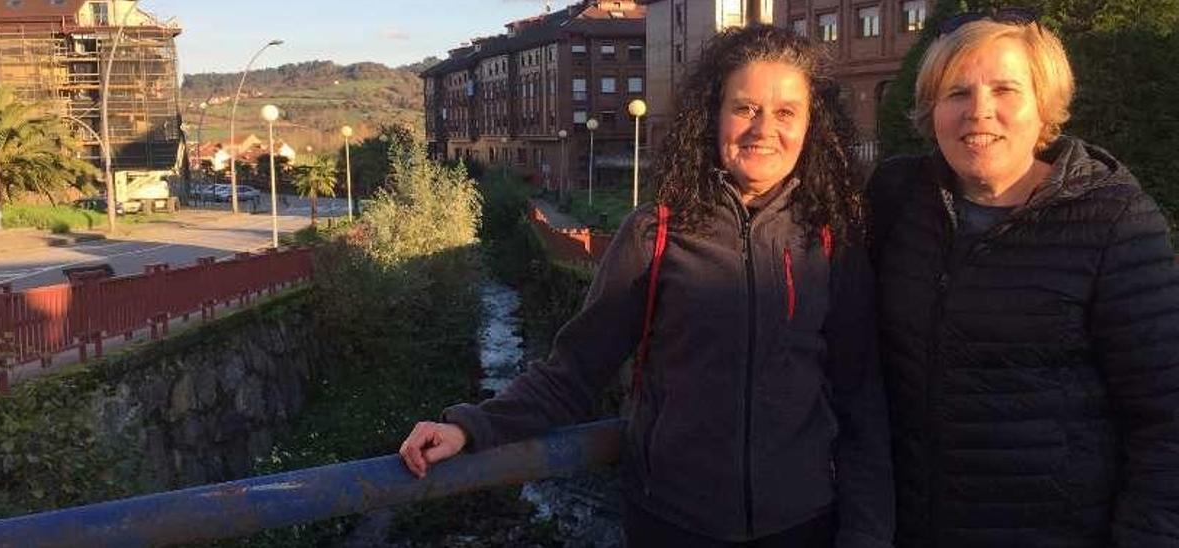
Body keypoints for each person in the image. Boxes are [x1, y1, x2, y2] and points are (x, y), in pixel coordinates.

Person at [400, 25, 893, 547]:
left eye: (786, 112)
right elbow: (575, 369)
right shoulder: (654, 236)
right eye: (744, 108)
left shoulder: (831, 242)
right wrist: (471, 427)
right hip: (672, 523)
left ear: (811, 126)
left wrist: (866, 534)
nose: (763, 129)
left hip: (802, 524)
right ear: (713, 116)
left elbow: (861, 401)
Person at [867, 10, 1179, 547]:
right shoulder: (897, 199)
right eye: (957, 92)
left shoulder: (1113, 223)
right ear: (932, 109)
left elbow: (1165, 423)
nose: (979, 112)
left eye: (1006, 89)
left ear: (1044, 107)